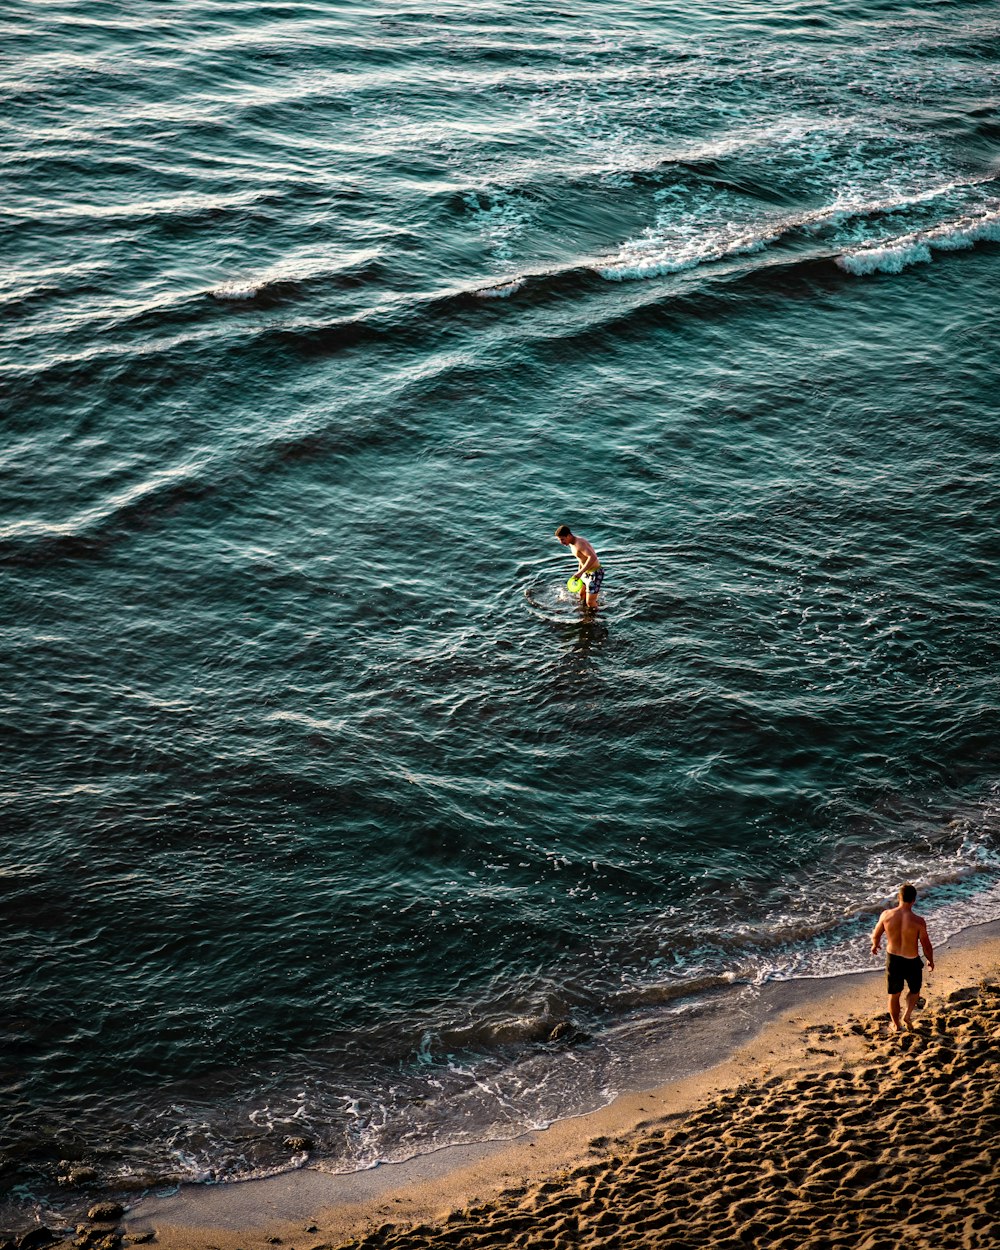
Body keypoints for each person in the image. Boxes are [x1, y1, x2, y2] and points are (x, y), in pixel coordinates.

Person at [870, 883, 934, 1032]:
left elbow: (876, 934)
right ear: (914, 900)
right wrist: (930, 960)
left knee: (894, 995)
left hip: (893, 960)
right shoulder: (918, 921)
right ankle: (906, 1015)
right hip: (911, 961)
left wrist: (875, 944)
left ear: (898, 897)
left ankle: (896, 1025)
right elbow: (926, 945)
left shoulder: (886, 915)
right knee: (914, 990)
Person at [554, 524, 604, 610]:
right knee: (581, 595)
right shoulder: (572, 544)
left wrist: (580, 573)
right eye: (559, 540)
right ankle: (584, 613)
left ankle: (596, 619)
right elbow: (581, 559)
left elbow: (592, 557)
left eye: (562, 539)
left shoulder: (579, 543)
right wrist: (579, 573)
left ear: (568, 536)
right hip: (585, 573)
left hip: (595, 573)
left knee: (590, 602)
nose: (561, 542)